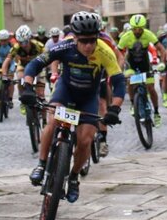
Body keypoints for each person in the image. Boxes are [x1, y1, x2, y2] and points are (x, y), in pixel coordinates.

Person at [20, 11, 125, 203]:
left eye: (92, 40)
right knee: (52, 123)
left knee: (85, 140)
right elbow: (35, 64)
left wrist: (114, 109)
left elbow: (119, 82)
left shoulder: (104, 51)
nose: (88, 46)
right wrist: (27, 86)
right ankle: (42, 164)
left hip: (88, 97)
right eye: (84, 41)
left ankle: (74, 177)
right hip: (65, 91)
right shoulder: (64, 46)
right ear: (75, 37)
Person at [116, 14, 167, 127]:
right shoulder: (126, 36)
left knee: (151, 88)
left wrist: (162, 62)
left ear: (144, 28)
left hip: (145, 65)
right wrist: (120, 66)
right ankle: (133, 104)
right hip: (131, 64)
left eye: (140, 29)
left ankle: (157, 113)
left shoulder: (148, 34)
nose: (137, 31)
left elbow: (162, 49)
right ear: (131, 28)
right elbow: (118, 52)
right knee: (130, 81)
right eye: (135, 29)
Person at [1, 25, 45, 102]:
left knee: (41, 95)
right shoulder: (16, 47)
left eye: (25, 42)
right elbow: (7, 61)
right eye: (20, 42)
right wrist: (4, 75)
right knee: (20, 79)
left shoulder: (38, 45)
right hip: (23, 66)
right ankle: (23, 100)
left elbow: (49, 56)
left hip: (37, 67)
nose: (23, 45)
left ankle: (42, 108)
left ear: (30, 39)